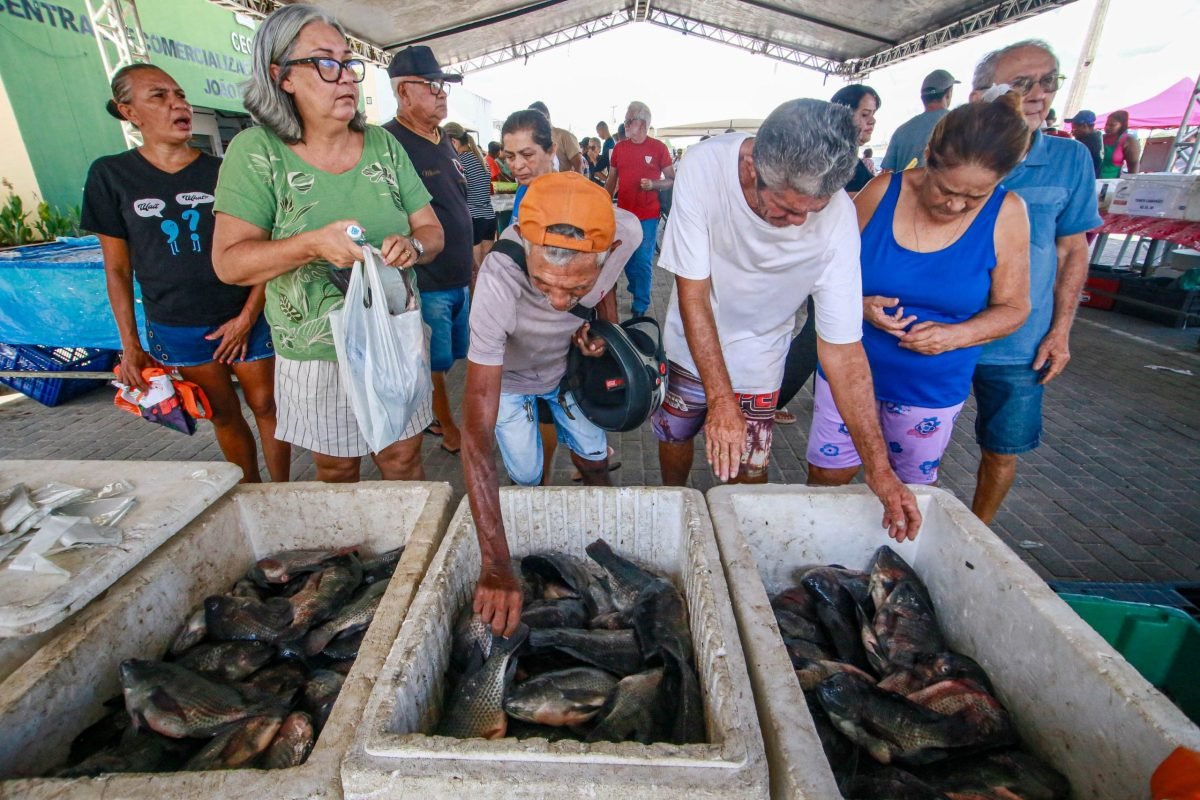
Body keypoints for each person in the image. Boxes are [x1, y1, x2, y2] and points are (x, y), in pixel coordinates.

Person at [650, 98, 922, 540]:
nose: (797, 223)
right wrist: (721, 402)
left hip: (763, 350)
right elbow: (693, 294)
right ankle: (672, 504)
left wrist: (879, 470)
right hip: (693, 333)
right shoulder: (704, 167)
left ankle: (738, 537)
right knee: (675, 433)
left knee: (750, 464)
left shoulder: (836, 221)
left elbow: (843, 351)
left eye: (809, 212)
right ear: (753, 166)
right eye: (785, 207)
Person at [212, 4, 443, 482]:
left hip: (394, 337)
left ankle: (418, 556)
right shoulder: (257, 152)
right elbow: (230, 264)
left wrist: (413, 248)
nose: (345, 78)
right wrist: (312, 244)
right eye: (324, 61)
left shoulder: (382, 145)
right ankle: (351, 555)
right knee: (337, 469)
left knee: (403, 461)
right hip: (315, 353)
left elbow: (432, 230)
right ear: (282, 76)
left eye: (349, 63)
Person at [806, 94, 1032, 488]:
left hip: (931, 384)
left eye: (975, 198)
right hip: (850, 367)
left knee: (908, 488)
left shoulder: (1008, 213)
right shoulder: (881, 192)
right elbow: (818, 270)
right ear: (929, 155)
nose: (956, 205)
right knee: (828, 477)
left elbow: (1013, 308)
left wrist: (954, 335)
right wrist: (855, 306)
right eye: (946, 189)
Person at [83, 64, 289, 484]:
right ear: (129, 112)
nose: (178, 103)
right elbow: (117, 269)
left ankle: (282, 496)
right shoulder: (110, 175)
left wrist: (248, 315)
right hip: (176, 323)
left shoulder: (224, 170)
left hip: (244, 314)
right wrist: (131, 345)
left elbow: (265, 248)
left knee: (268, 406)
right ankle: (249, 495)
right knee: (224, 414)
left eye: (179, 94)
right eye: (158, 96)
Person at [464, 172, 640, 635]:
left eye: (576, 288)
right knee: (525, 477)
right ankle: (532, 553)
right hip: (511, 382)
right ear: (525, 244)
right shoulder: (497, 280)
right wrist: (496, 564)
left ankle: (608, 545)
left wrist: (601, 332)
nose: (560, 301)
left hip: (566, 371)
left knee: (596, 459)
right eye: (545, 283)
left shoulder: (628, 231)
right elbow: (475, 432)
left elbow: (610, 287)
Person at [967, 39, 1102, 523]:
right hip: (940, 333)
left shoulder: (1070, 160)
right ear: (979, 94)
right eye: (1022, 82)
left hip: (1020, 344)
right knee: (915, 441)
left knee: (1002, 449)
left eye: (1048, 80)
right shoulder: (955, 147)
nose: (1038, 93)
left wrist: (1061, 331)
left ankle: (975, 539)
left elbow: (1072, 250)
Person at [774, 83, 886, 426]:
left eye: (873, 117)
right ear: (842, 111)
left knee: (823, 333)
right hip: (822, 265)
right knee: (816, 333)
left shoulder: (856, 166)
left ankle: (770, 398)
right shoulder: (834, 163)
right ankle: (771, 398)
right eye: (864, 115)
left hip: (840, 266)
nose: (870, 124)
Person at [383, 46, 473, 457]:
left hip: (458, 276)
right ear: (404, 93)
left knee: (451, 356)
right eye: (432, 86)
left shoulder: (442, 140)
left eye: (443, 86)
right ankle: (443, 422)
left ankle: (437, 413)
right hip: (428, 280)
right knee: (431, 362)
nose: (442, 94)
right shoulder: (388, 142)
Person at [605, 101, 675, 317]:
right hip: (624, 215)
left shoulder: (658, 148)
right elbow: (611, 179)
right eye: (625, 121)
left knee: (643, 259)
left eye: (629, 120)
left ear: (642, 123)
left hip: (647, 215)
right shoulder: (619, 148)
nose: (625, 124)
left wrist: (654, 184)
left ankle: (641, 304)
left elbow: (671, 179)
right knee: (625, 258)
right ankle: (636, 288)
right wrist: (602, 202)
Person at [880, 69, 958, 173]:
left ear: (923, 98)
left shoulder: (901, 131)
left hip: (905, 188)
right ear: (948, 94)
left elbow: (886, 174)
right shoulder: (960, 124)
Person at [445, 122, 498, 270]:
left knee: (474, 271)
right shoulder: (481, 160)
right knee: (487, 269)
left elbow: (456, 192)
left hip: (473, 218)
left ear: (453, 142)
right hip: (488, 216)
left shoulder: (460, 162)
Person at [831, 85, 881, 193]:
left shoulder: (852, 161)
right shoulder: (839, 163)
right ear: (843, 117)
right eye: (865, 114)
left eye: (873, 114)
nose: (872, 120)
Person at [529, 101, 582, 173]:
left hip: (563, 182)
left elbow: (578, 165)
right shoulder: (531, 139)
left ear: (546, 116)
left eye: (536, 118)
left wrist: (575, 183)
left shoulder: (564, 136)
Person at [1100, 110, 1141, 178]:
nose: (1107, 127)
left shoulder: (1129, 140)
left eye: (1112, 125)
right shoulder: (1101, 138)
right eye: (1106, 124)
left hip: (1112, 183)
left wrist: (1131, 182)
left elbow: (1133, 164)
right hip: (1092, 180)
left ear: (1122, 125)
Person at [1067, 110, 1103, 178]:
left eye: (1074, 129)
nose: (1072, 132)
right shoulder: (1097, 137)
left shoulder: (1089, 143)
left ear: (1084, 126)